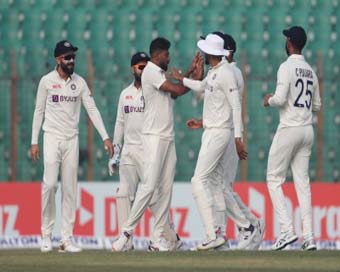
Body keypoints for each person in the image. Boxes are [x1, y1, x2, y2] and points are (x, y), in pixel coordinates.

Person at [112, 37, 200, 252]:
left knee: (165, 190)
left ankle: (158, 238)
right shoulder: (150, 71)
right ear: (158, 54)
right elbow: (178, 90)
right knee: (149, 187)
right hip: (153, 137)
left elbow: (174, 93)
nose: (169, 58)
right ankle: (126, 232)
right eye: (167, 55)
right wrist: (188, 79)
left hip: (167, 138)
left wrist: (190, 74)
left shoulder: (158, 74)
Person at [31, 40, 113, 253]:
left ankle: (66, 239)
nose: (71, 61)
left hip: (71, 140)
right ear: (58, 60)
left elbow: (92, 110)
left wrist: (105, 137)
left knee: (70, 189)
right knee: (49, 185)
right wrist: (33, 141)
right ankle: (46, 235)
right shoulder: (46, 81)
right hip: (51, 137)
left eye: (73, 57)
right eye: (67, 57)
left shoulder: (80, 82)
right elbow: (38, 111)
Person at [172, 33, 248, 250]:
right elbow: (201, 87)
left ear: (211, 53)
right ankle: (222, 233)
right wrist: (182, 78)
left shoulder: (226, 74)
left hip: (219, 133)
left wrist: (238, 138)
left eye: (205, 50)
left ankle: (212, 234)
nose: (203, 53)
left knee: (198, 181)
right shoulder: (216, 72)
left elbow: (235, 105)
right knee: (214, 184)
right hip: (213, 131)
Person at [263, 26, 321, 251]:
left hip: (289, 128)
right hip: (307, 130)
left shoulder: (286, 67)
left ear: (289, 43)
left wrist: (268, 100)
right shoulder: (311, 71)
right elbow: (317, 105)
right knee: (303, 184)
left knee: (274, 178)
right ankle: (309, 238)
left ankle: (287, 230)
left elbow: (279, 98)